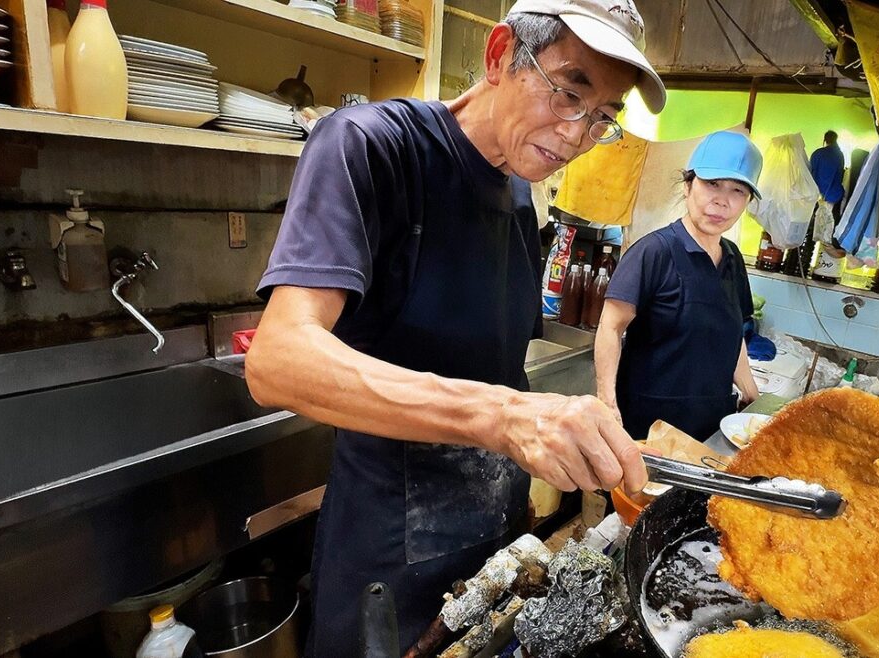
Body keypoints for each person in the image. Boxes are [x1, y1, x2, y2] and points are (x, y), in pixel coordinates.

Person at [243, 1, 666, 655]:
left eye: (604, 118)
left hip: (495, 549)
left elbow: (497, 361)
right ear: (500, 56)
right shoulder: (370, 146)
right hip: (388, 562)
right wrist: (503, 417)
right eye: (568, 92)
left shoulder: (520, 191)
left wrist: (538, 468)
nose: (579, 133)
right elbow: (277, 359)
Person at [594, 131, 761, 442]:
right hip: (649, 428)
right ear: (688, 186)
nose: (721, 200)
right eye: (712, 184)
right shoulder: (653, 252)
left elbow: (731, 331)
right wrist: (607, 402)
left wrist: (752, 392)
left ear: (747, 201)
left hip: (713, 426)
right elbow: (610, 327)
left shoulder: (733, 259)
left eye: (737, 190)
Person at [811, 129, 846, 221]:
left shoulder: (817, 154)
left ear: (825, 140)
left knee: (819, 220)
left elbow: (811, 174)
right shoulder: (840, 155)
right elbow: (840, 175)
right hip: (835, 195)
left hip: (818, 194)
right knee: (827, 221)